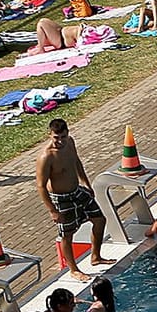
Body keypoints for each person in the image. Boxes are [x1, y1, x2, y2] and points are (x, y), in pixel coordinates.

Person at [35, 117, 109, 280]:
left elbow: (76, 162)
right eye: (56, 137)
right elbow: (40, 186)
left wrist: (86, 183)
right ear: (50, 135)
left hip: (77, 191)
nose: (59, 141)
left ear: (67, 133)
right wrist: (52, 211)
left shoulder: (70, 143)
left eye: (62, 137)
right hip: (61, 199)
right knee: (67, 234)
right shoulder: (46, 157)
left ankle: (95, 256)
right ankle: (74, 269)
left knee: (99, 220)